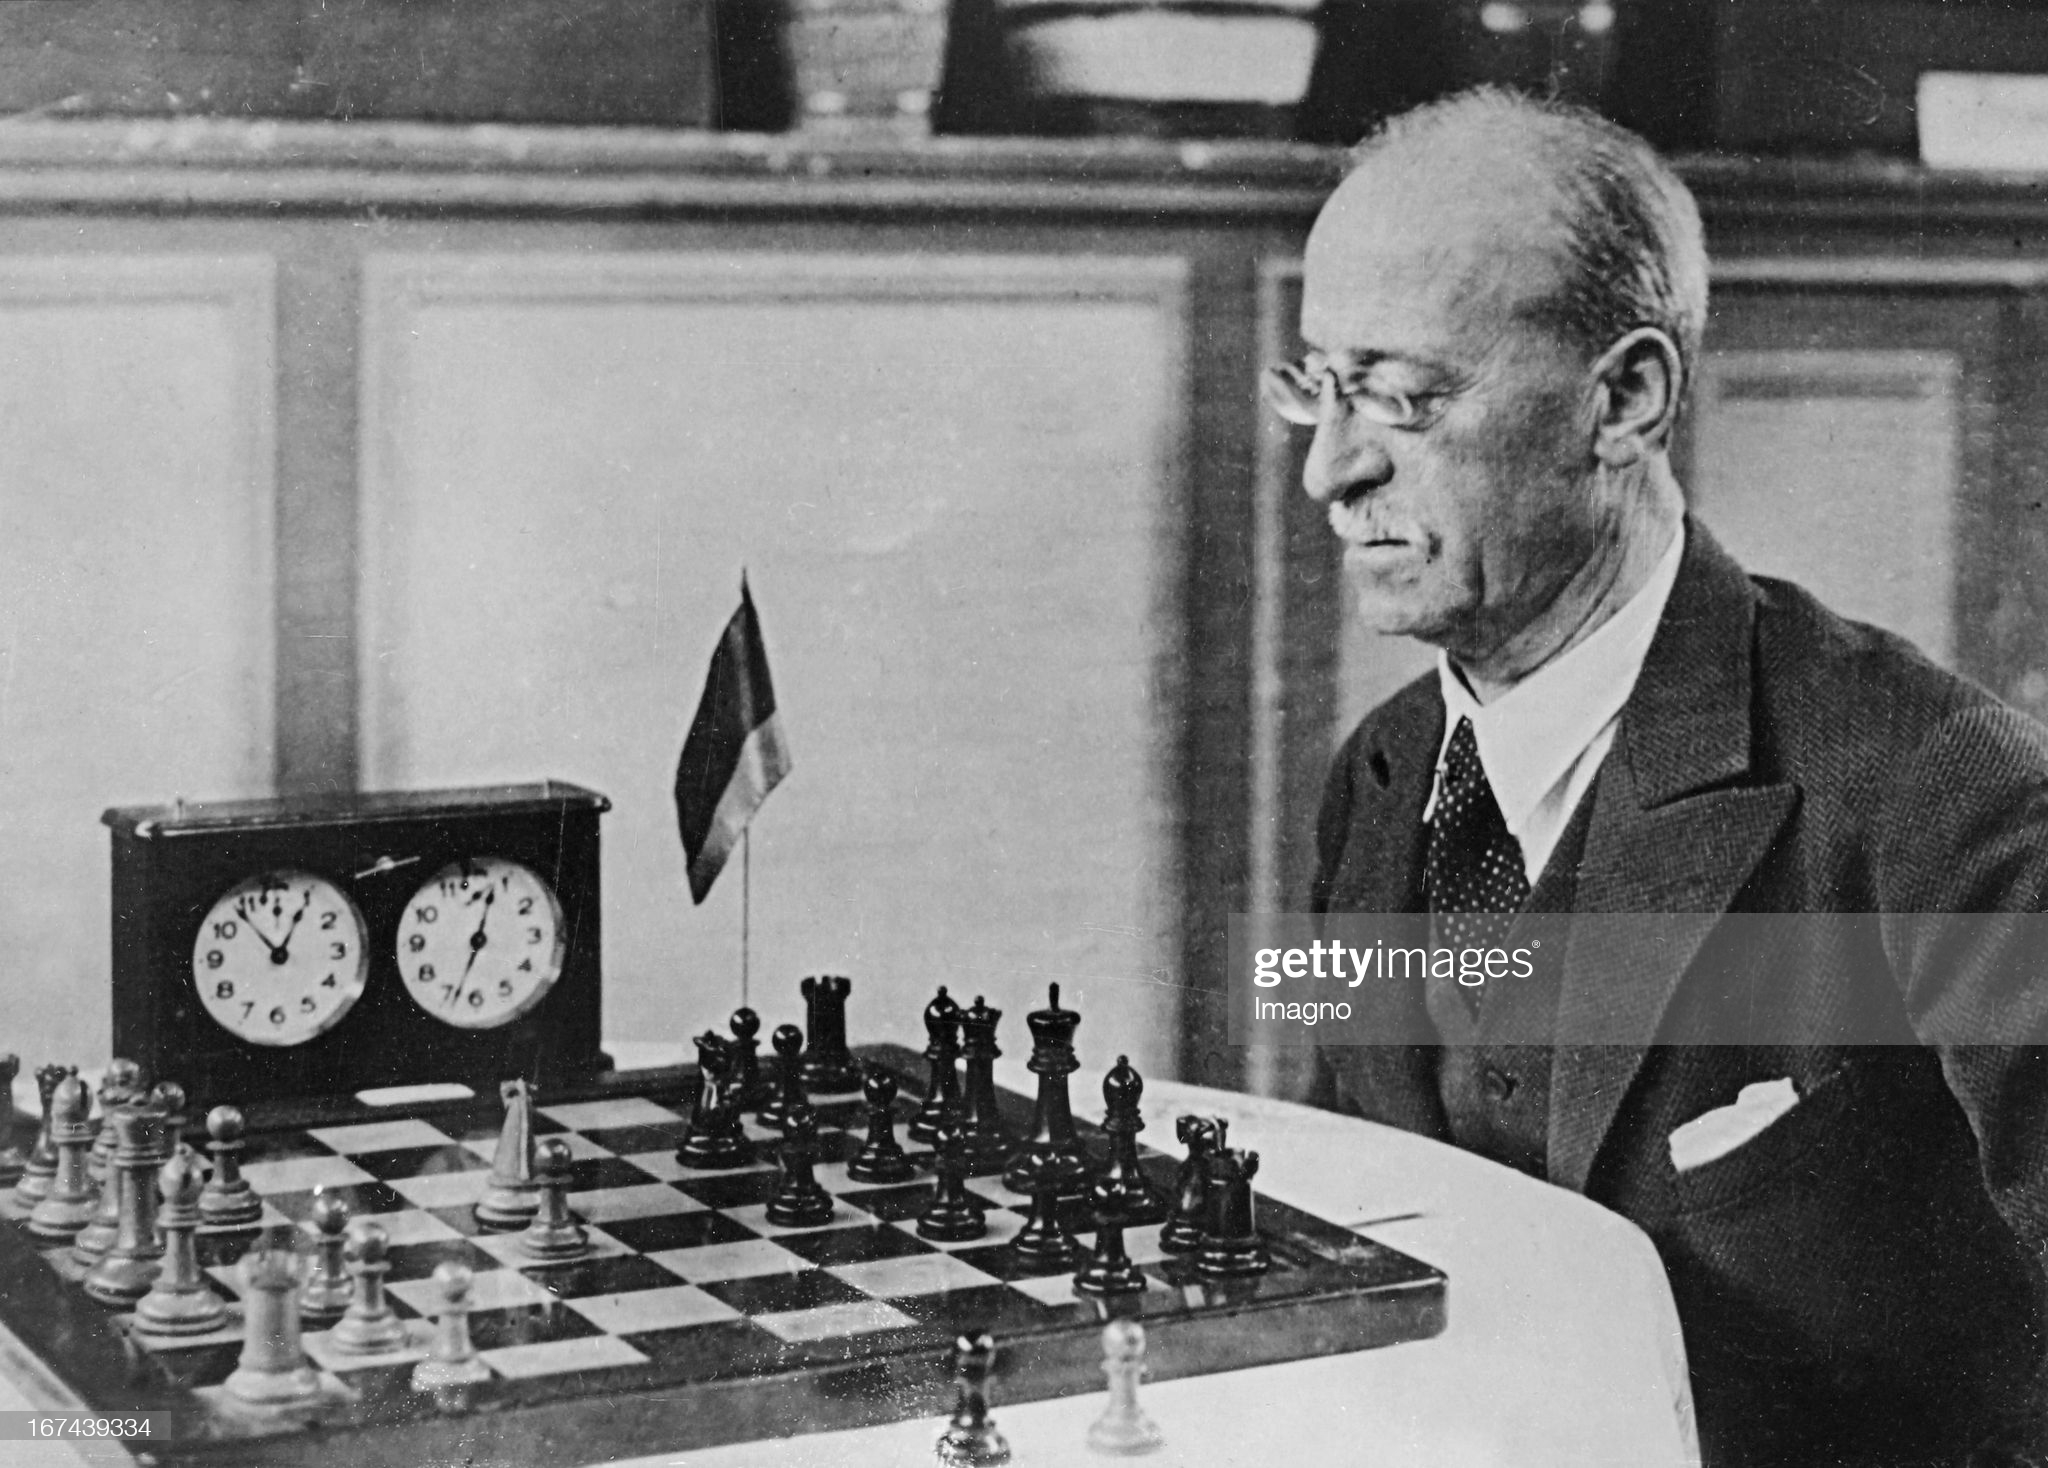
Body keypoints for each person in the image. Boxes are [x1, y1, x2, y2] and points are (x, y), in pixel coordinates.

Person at [1292, 88, 2048, 1466]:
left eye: (1403, 397)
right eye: (1320, 387)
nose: (1329, 470)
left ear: (1626, 398)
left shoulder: (1942, 792)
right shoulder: (1380, 775)